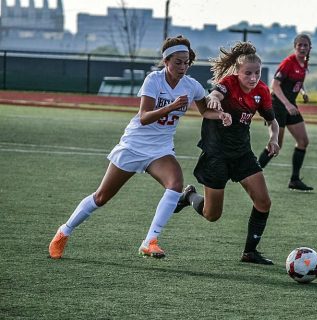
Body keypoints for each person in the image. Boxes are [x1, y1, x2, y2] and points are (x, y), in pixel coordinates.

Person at [48, 36, 231, 259]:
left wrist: (220, 114)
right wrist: (172, 106)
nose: (183, 67)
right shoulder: (153, 80)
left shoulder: (191, 86)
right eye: (178, 62)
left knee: (175, 185)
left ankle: (150, 241)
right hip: (133, 146)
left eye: (186, 62)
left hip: (160, 149)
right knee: (101, 197)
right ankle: (64, 231)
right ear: (166, 61)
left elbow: (205, 111)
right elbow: (144, 117)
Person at [174, 42, 280, 265]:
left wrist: (273, 138)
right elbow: (215, 94)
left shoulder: (261, 91)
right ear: (238, 72)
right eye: (247, 73)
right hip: (216, 154)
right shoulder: (228, 83)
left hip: (242, 153)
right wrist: (213, 99)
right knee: (212, 215)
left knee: (263, 202)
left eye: (257, 73)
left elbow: (273, 122)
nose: (253, 78)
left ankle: (249, 253)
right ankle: (189, 195)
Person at [257, 34, 313, 191]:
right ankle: (252, 174)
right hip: (277, 106)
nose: (302, 48)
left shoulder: (304, 63)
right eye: (299, 45)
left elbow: (297, 82)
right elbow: (275, 85)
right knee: (276, 144)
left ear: (310, 48)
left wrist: (303, 92)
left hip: (290, 106)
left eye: (305, 45)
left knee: (303, 141)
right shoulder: (288, 63)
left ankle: (294, 180)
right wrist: (288, 104)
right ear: (295, 47)